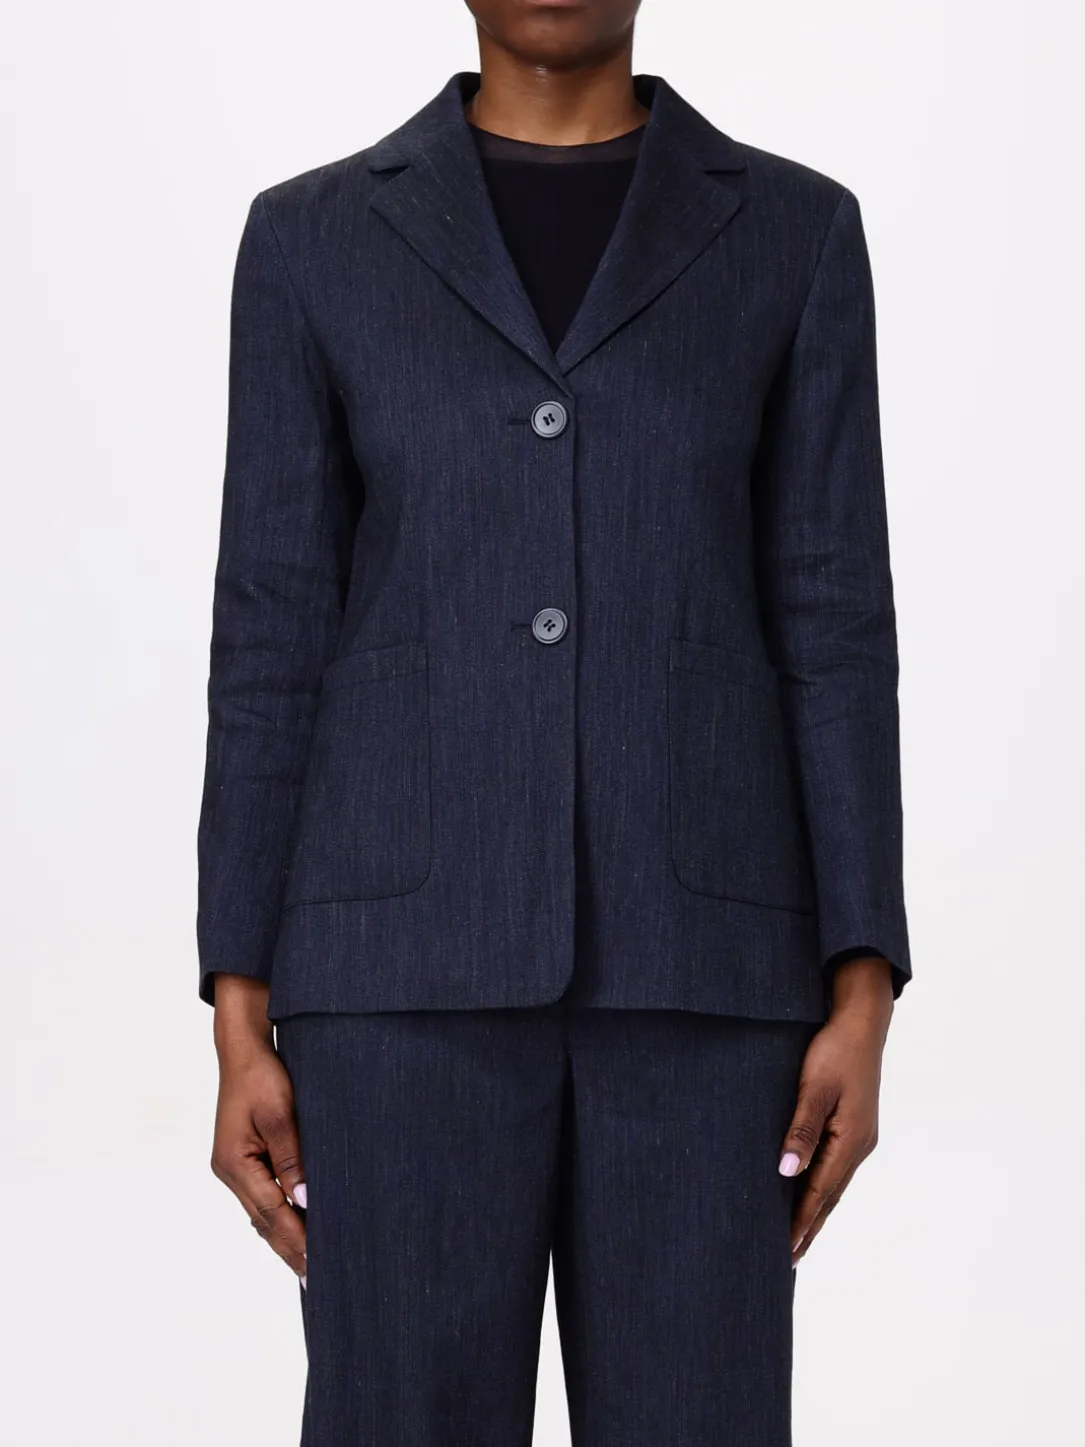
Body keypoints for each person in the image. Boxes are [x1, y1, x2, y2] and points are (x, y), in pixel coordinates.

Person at [197, 2, 911, 1443]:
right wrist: (236, 1004)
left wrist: (865, 982)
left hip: (709, 982)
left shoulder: (795, 234)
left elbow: (834, 621)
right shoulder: (311, 239)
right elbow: (272, 630)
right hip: (395, 978)